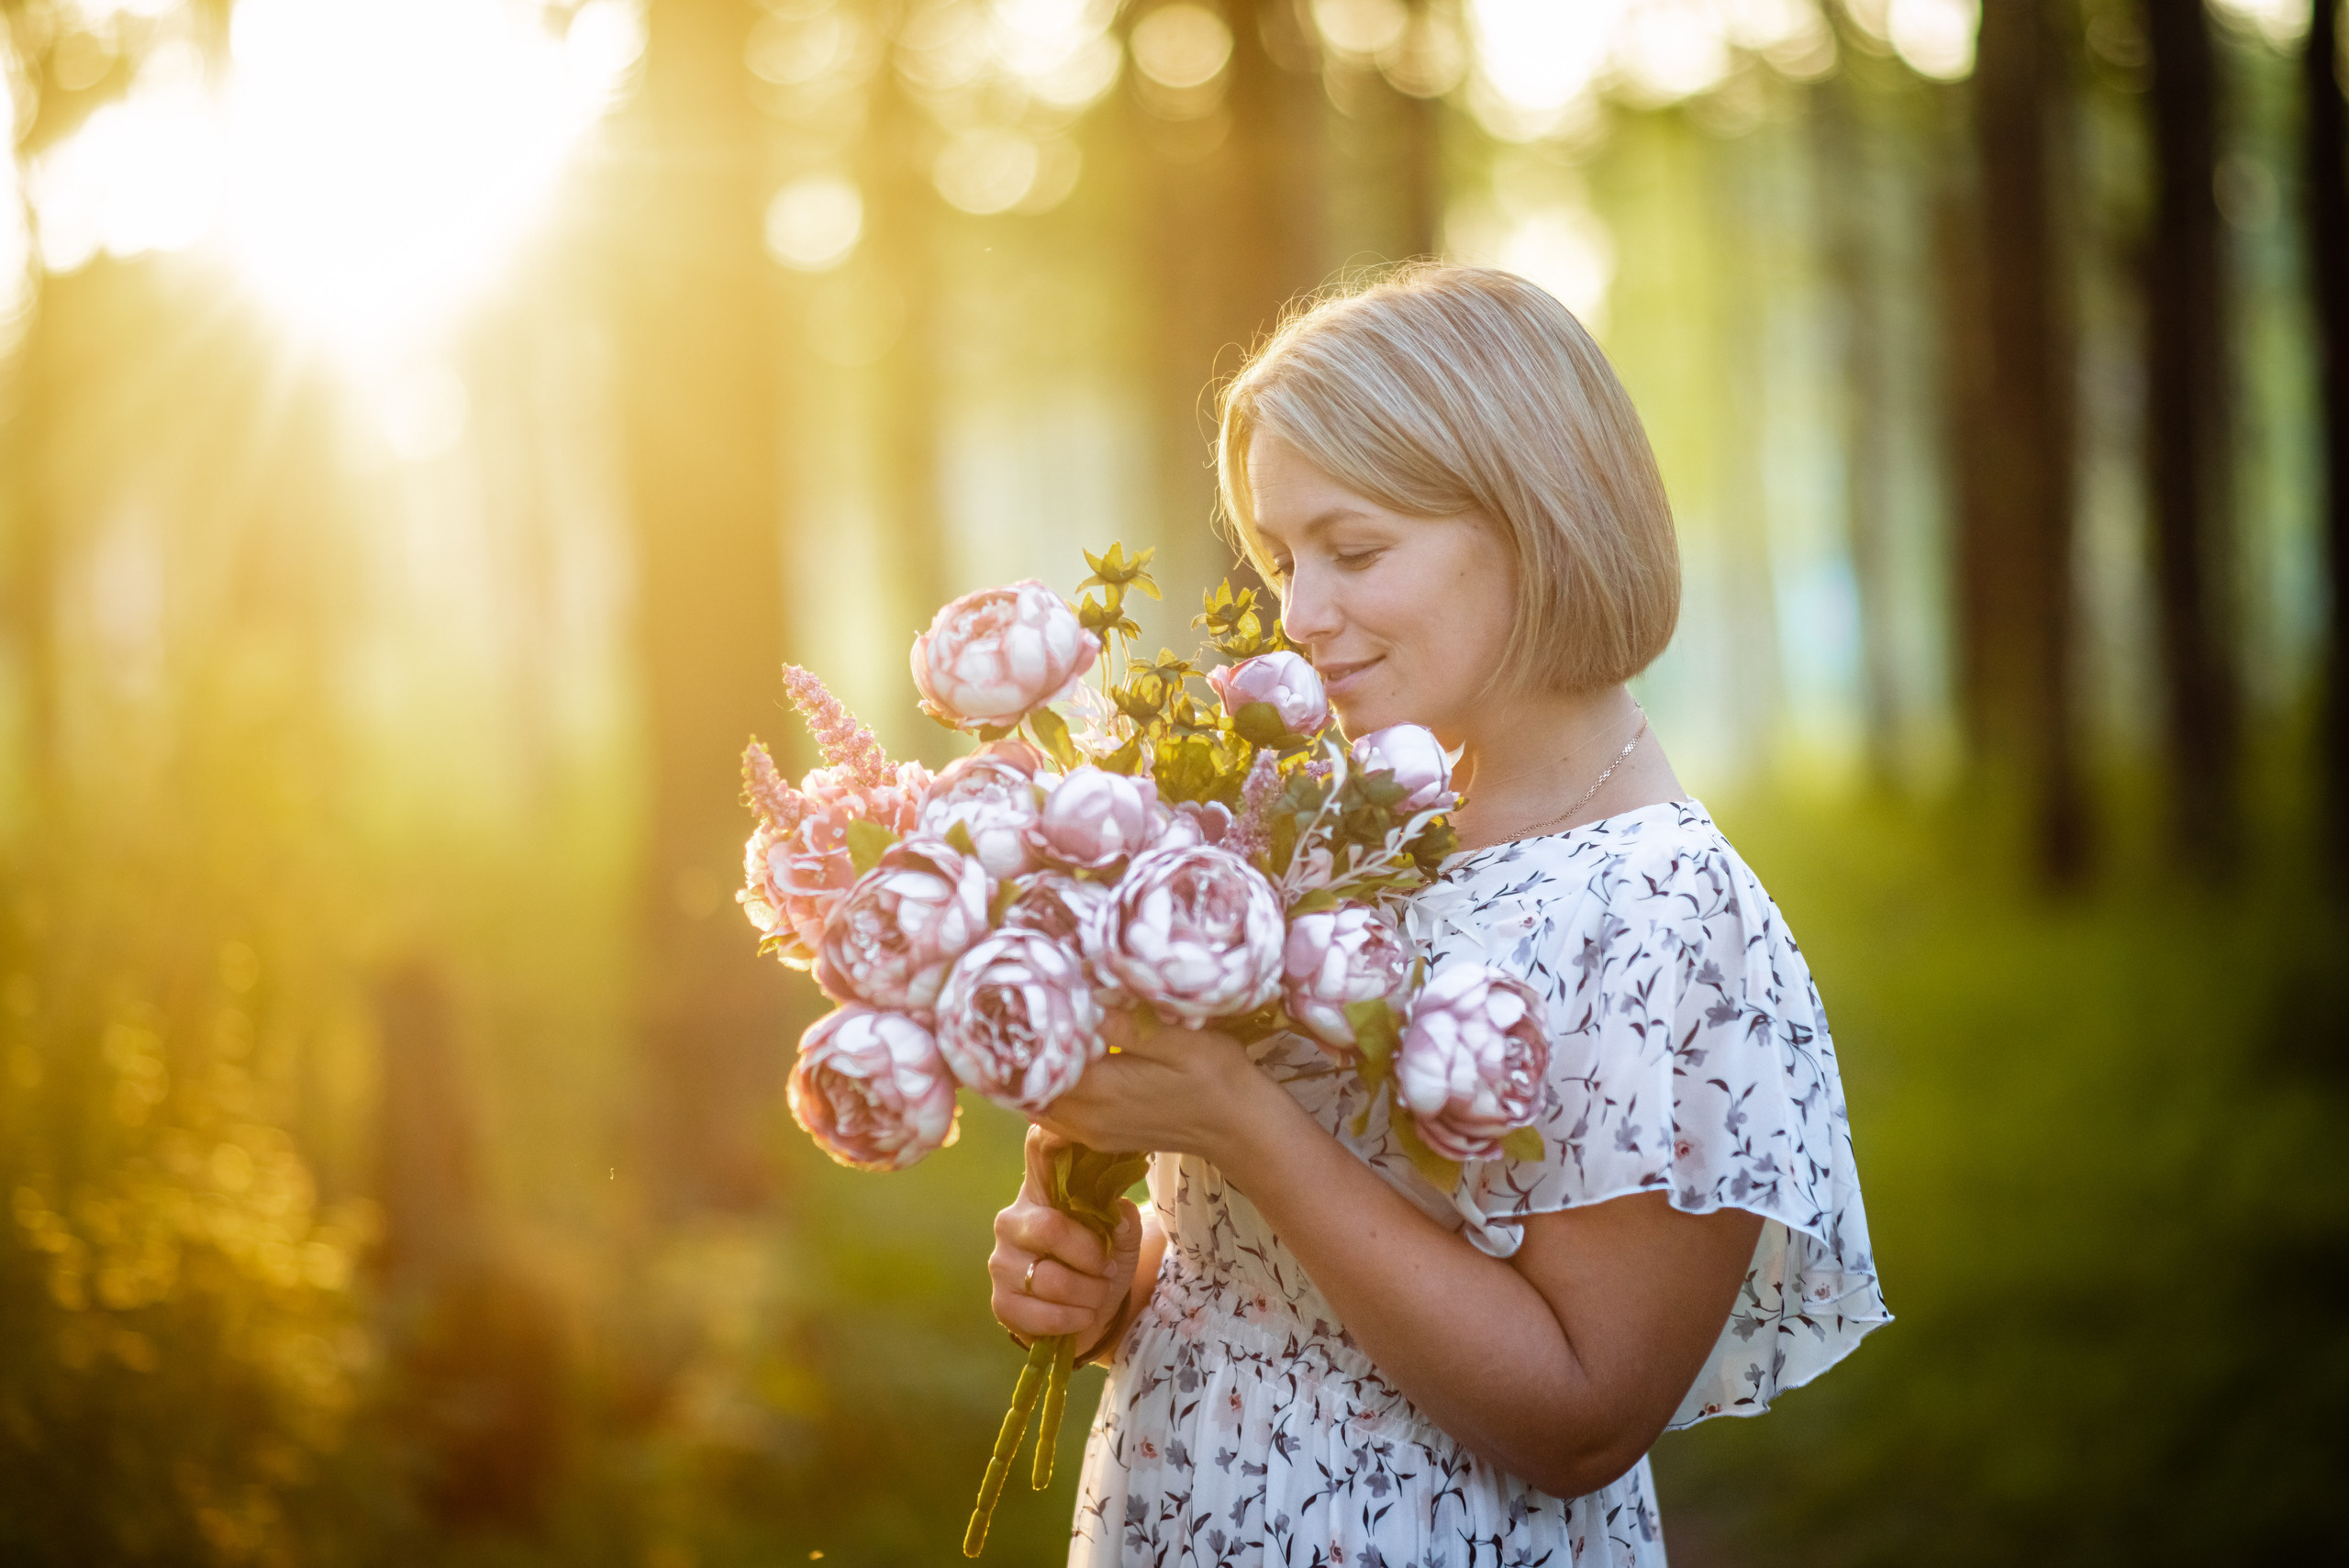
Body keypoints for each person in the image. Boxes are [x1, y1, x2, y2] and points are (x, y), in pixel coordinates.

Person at [988, 262, 1889, 1567]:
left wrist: (1243, 1126)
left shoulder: (1666, 911)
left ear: (1536, 517)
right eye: (1282, 556)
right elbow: (1270, 1283)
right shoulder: (1311, 830)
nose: (1300, 613)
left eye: (1353, 551)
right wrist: (1106, 1271)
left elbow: (1582, 1414)